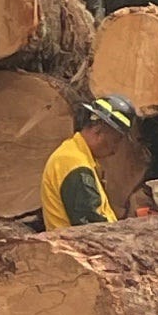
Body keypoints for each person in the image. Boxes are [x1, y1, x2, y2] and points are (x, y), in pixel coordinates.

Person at [41, 95, 136, 231]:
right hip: (76, 249)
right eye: (115, 141)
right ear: (99, 130)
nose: (115, 150)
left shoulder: (77, 156)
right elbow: (92, 226)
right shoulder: (74, 163)